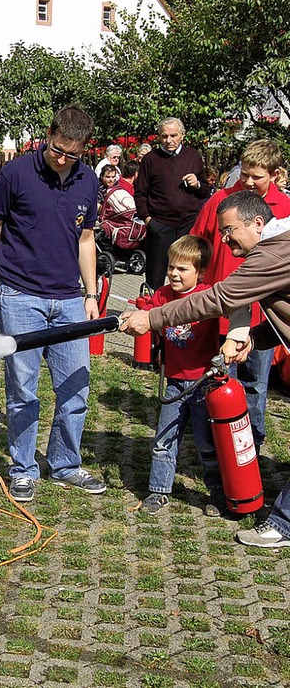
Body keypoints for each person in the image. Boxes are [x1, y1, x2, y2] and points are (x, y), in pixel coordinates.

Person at [119, 190, 290, 548]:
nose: (224, 239)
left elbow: (221, 299)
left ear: (258, 223)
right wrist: (256, 339)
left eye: (229, 230)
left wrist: (152, 317)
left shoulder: (273, 252)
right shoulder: (276, 248)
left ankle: (283, 524)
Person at [0, 104, 106, 503]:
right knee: (24, 389)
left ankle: (65, 464)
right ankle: (24, 469)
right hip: (19, 296)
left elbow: (85, 240)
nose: (62, 158)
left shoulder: (86, 182)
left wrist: (91, 294)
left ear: (84, 150)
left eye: (72, 154)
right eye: (57, 148)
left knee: (75, 388)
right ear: (49, 134)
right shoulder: (16, 173)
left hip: (68, 301)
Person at [191, 139, 290, 452]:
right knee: (219, 383)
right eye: (244, 173)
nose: (247, 181)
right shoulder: (222, 202)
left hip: (264, 321)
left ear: (274, 175)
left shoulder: (284, 209)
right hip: (221, 311)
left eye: (256, 177)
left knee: (255, 387)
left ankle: (252, 449)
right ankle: (219, 449)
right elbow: (197, 243)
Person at [139, 235, 227, 517]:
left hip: (204, 383)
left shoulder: (210, 296)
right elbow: (145, 315)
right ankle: (159, 490)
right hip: (175, 381)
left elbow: (234, 319)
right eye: (171, 267)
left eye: (182, 269)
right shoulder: (162, 296)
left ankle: (218, 492)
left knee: (207, 444)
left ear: (200, 272)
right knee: (164, 439)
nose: (174, 274)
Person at [134, 117, 210, 290]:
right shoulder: (150, 159)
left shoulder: (192, 156)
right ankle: (152, 311)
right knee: (155, 276)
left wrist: (197, 184)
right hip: (160, 226)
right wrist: (148, 220)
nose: (169, 141)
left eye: (173, 136)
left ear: (182, 135)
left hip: (187, 226)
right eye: (164, 136)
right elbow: (140, 193)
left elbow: (205, 190)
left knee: (188, 274)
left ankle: (185, 313)